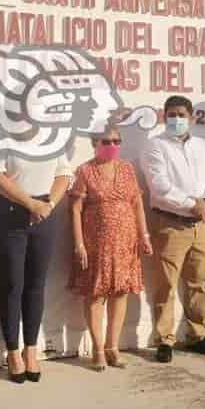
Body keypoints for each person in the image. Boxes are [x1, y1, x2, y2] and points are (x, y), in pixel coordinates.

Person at [141, 96, 205, 363]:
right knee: (165, 284)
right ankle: (164, 340)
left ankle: (197, 335)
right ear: (164, 117)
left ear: (192, 118)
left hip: (201, 226)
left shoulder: (202, 145)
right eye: (172, 114)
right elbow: (160, 187)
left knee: (197, 283)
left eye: (181, 114)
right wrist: (194, 205)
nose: (177, 119)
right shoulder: (155, 146)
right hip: (170, 225)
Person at [0, 127, 73, 383]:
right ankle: (13, 352)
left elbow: (64, 174)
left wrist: (47, 205)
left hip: (45, 214)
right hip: (11, 214)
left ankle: (31, 349)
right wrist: (30, 203)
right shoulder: (0, 134)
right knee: (13, 284)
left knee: (36, 285)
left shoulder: (53, 135)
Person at [69, 126, 152, 371]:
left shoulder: (127, 169)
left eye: (117, 141)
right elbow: (75, 209)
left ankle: (112, 347)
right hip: (96, 244)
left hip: (126, 243)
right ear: (96, 142)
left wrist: (144, 234)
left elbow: (137, 203)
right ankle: (97, 349)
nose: (112, 145)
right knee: (95, 294)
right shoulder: (85, 170)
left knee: (120, 292)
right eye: (107, 141)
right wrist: (79, 243)